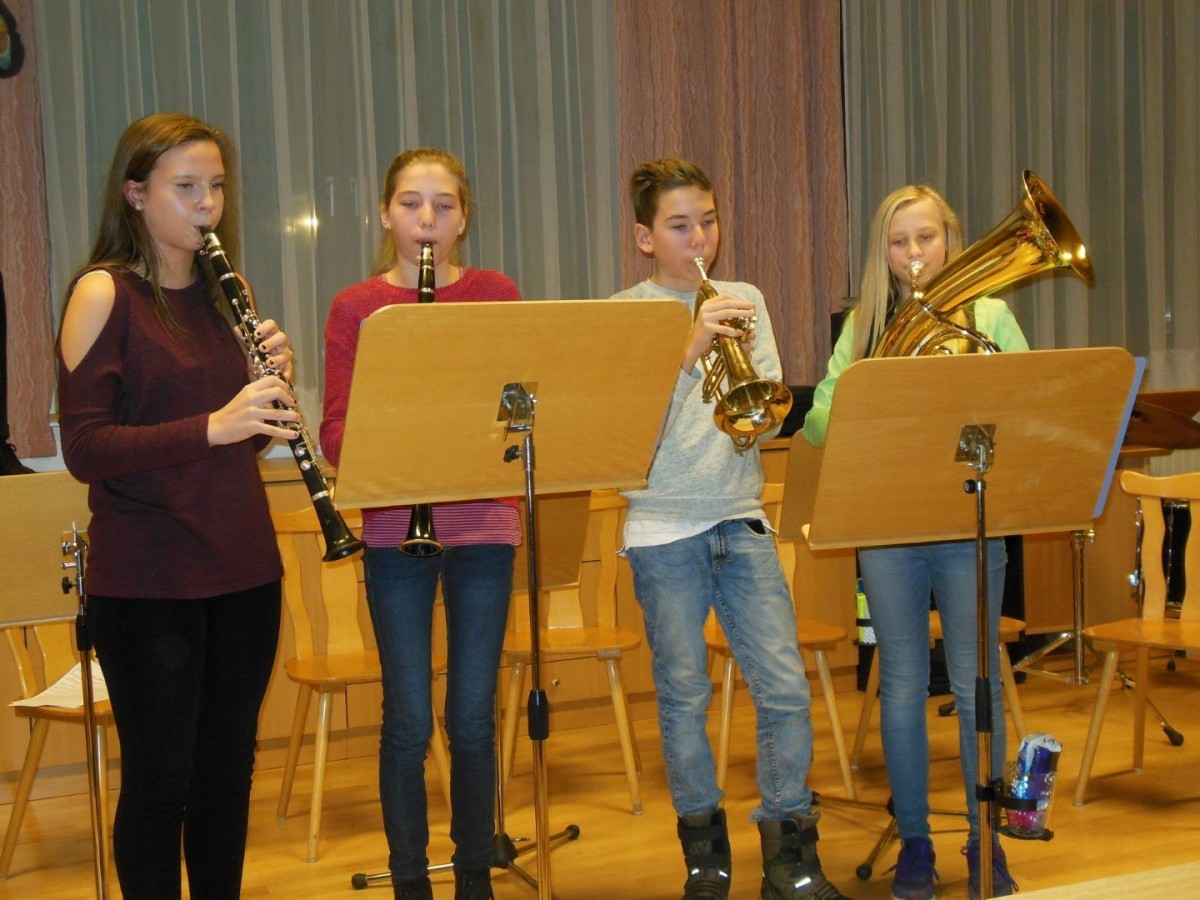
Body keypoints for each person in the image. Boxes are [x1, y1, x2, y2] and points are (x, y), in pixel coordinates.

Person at [56, 113, 297, 900]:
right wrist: (215, 422)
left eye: (216, 187)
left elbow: (238, 448)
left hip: (244, 568)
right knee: (161, 778)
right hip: (148, 579)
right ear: (135, 193)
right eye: (186, 187)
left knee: (227, 774)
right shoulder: (103, 293)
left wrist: (266, 400)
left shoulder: (231, 295)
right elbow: (85, 447)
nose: (207, 205)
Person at [610, 157, 846, 900]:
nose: (700, 238)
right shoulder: (626, 312)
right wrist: (689, 351)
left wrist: (757, 408)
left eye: (708, 221)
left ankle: (790, 855)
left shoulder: (746, 299)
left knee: (784, 688)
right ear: (645, 238)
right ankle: (705, 860)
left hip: (740, 514)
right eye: (680, 226)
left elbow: (764, 410)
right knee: (684, 694)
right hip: (661, 526)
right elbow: (622, 435)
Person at [803, 184, 1028, 900]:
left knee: (974, 683)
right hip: (888, 526)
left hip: (968, 522)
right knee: (900, 683)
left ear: (950, 239)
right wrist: (874, 377)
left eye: (925, 238)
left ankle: (985, 838)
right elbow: (817, 425)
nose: (913, 254)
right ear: (885, 253)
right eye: (899, 242)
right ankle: (916, 843)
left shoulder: (989, 315)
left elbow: (1027, 403)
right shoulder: (867, 326)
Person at [320, 148, 520, 900]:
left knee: (471, 716)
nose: (427, 219)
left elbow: (515, 413)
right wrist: (402, 424)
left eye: (443, 205)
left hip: (483, 527)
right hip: (393, 530)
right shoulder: (357, 307)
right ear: (385, 213)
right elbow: (335, 434)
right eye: (410, 203)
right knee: (407, 718)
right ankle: (411, 882)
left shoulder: (496, 294)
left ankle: (475, 879)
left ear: (463, 217)